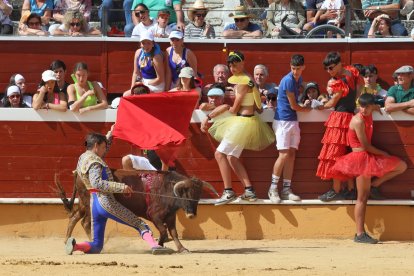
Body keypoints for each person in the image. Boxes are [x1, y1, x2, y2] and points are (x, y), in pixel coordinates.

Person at [65, 130, 173, 255]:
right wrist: (120, 187)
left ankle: (75, 246)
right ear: (95, 146)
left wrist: (109, 136)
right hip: (106, 202)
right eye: (103, 147)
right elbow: (97, 183)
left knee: (97, 245)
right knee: (140, 224)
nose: (105, 150)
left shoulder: (83, 158)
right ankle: (155, 246)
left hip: (93, 203)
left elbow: (95, 172)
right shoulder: (94, 162)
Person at [331, 93, 407, 243]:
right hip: (360, 158)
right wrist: (383, 153)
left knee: (401, 166)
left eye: (366, 106)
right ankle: (359, 234)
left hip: (368, 156)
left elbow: (376, 106)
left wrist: (378, 107)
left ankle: (374, 185)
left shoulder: (370, 112)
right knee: (362, 198)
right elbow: (365, 146)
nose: (363, 109)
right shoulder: (358, 120)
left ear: (372, 106)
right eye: (361, 106)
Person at [205, 51, 275, 205]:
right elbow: (259, 108)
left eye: (235, 64)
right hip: (248, 121)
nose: (232, 67)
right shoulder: (249, 80)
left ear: (242, 63)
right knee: (232, 157)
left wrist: (216, 110)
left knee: (219, 154)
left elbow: (233, 110)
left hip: (242, 123)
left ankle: (228, 191)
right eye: (230, 65)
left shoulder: (243, 82)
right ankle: (249, 190)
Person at [316, 52, 362, 201]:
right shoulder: (352, 72)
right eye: (327, 69)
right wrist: (356, 102)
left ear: (339, 64)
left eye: (331, 68)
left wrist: (318, 106)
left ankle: (336, 190)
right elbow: (360, 85)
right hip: (350, 117)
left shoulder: (340, 81)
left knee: (335, 155)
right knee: (347, 154)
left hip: (340, 119)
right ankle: (351, 189)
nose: (329, 72)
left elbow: (331, 103)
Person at [268, 54, 311, 203]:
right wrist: (307, 109)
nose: (295, 71)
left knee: (291, 154)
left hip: (291, 121)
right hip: (283, 121)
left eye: (298, 69)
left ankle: (286, 189)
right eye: (293, 68)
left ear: (303, 67)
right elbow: (294, 106)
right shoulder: (288, 80)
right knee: (284, 154)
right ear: (290, 66)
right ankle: (272, 189)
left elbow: (302, 86)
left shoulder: (297, 79)